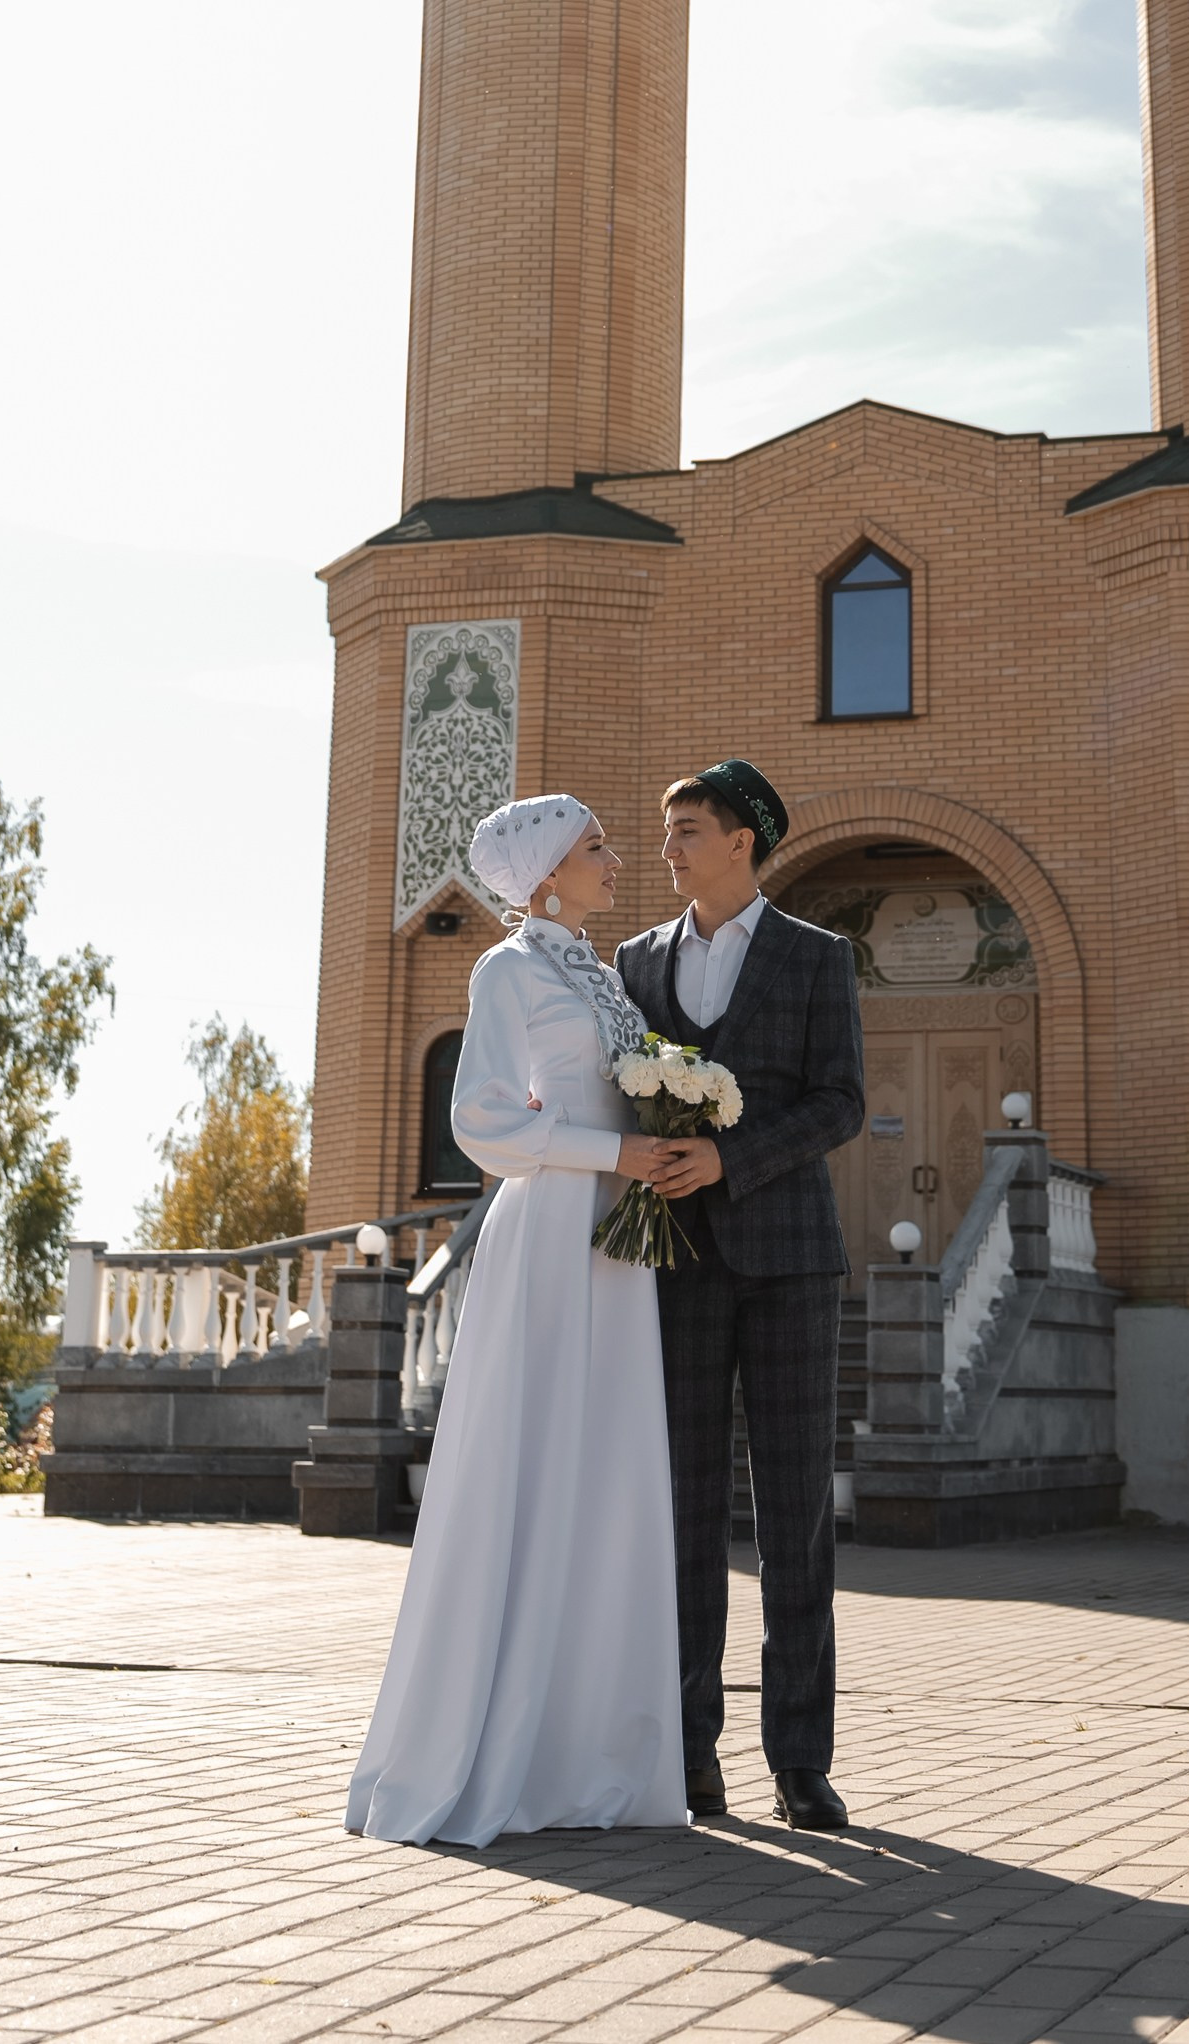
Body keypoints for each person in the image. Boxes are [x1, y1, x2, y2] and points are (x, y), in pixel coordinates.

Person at [345, 794, 689, 1846]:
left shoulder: (601, 973)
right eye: (596, 848)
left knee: (608, 1475)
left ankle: (588, 1755)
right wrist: (612, 1151)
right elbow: (483, 1121)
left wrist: (663, 1129)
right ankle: (498, 1755)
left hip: (615, 1239)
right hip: (548, 1234)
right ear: (544, 875)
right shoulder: (506, 970)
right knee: (534, 1462)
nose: (617, 860)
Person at [616, 758, 865, 1833]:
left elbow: (840, 1102)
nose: (667, 847)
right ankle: (687, 1753)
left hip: (790, 1260)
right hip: (672, 1259)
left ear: (740, 841)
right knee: (682, 1512)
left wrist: (731, 1157)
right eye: (666, 829)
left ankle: (800, 1761)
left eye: (686, 829)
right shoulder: (634, 961)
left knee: (794, 1515)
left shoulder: (816, 956)